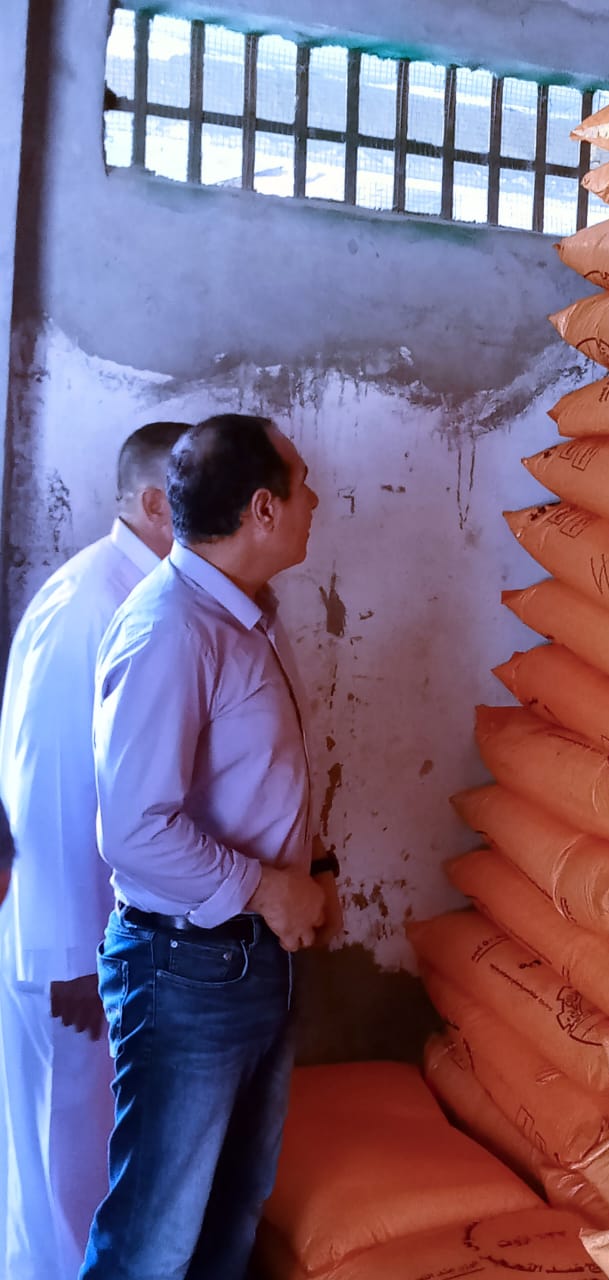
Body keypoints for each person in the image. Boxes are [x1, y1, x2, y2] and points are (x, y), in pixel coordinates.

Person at [80, 413, 341, 1280]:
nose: (316, 501)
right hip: (186, 971)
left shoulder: (245, 615)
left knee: (228, 1225)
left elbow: (257, 778)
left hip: (251, 959)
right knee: (151, 1246)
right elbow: (135, 831)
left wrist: (312, 873)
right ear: (263, 509)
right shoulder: (171, 628)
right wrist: (268, 888)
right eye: (303, 485)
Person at [0, 421, 190, 1280]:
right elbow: (47, 796)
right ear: (156, 505)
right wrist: (71, 962)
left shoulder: (144, 595)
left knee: (96, 1181)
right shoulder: (87, 606)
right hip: (69, 964)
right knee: (64, 1183)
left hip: (110, 955)